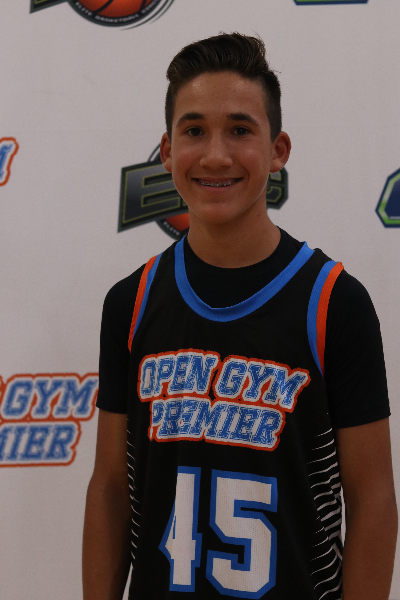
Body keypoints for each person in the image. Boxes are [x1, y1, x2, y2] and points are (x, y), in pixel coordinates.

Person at [82, 33, 397, 600]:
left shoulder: (335, 302)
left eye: (240, 130)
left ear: (278, 150)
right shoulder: (130, 303)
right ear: (167, 151)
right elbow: (109, 488)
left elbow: (372, 497)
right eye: (194, 131)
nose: (215, 155)